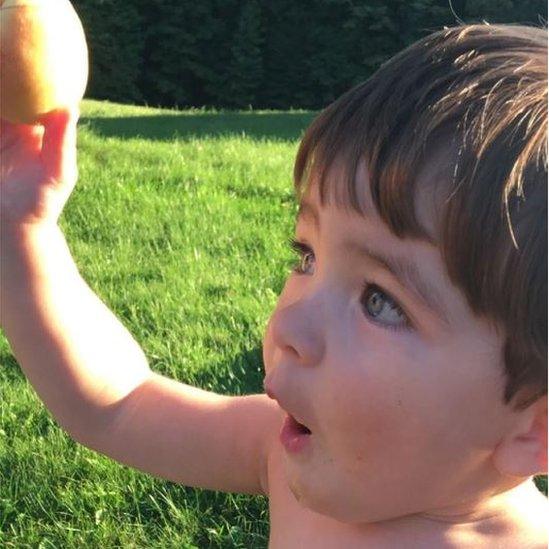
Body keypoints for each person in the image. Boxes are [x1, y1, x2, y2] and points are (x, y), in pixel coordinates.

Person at [1, 22, 547, 548]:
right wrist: (22, 228)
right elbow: (119, 404)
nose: (287, 325)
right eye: (306, 256)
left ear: (535, 424)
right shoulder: (279, 453)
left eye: (379, 302)